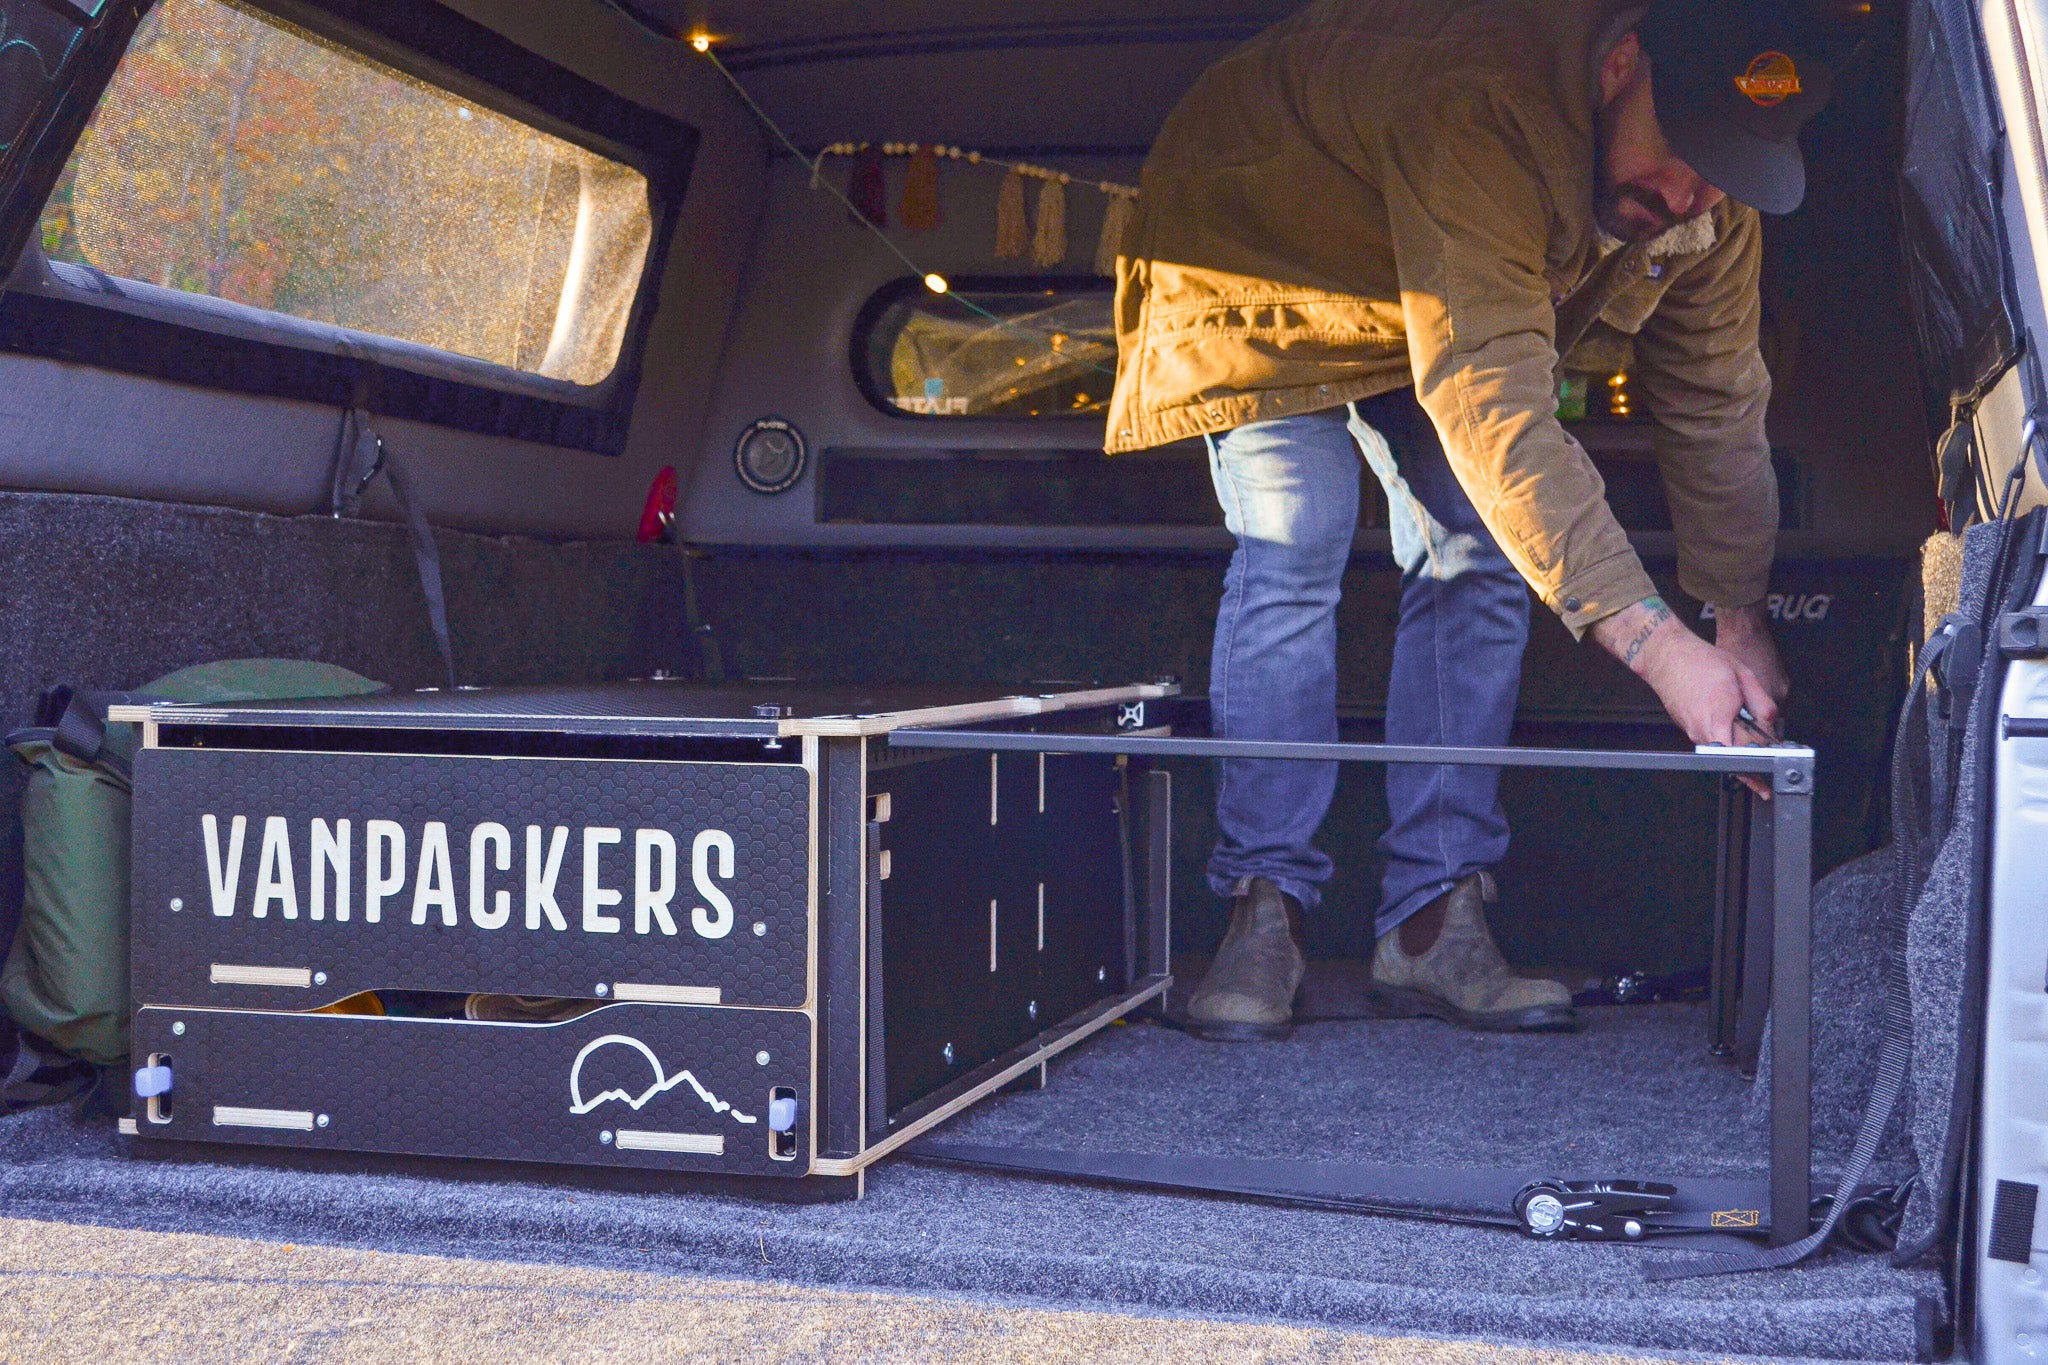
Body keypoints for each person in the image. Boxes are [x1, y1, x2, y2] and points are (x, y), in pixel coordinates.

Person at [1105, 0, 1844, 1039]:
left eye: (1724, 168)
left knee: (1480, 548)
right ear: (1618, 66)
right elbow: (1489, 398)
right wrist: (1652, 644)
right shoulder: (1480, 105)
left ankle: (1427, 924)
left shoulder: (1703, 209)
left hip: (1430, 282)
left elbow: (1716, 399)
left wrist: (1735, 615)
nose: (1688, 194)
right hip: (1259, 257)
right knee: (1296, 534)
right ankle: (1260, 909)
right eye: (1682, 149)